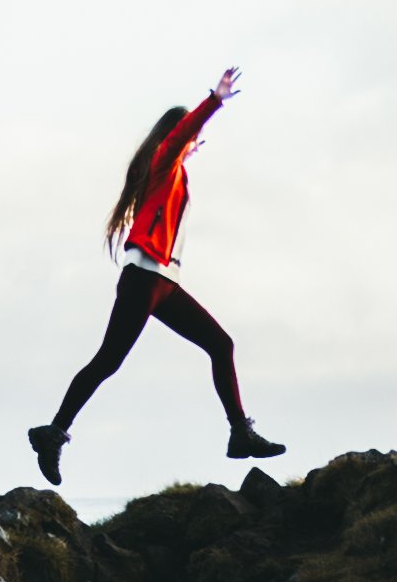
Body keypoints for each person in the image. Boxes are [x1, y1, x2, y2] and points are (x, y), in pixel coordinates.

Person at [35, 66, 282, 482]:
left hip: (165, 284)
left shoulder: (176, 174)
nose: (195, 144)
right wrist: (214, 101)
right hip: (144, 280)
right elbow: (181, 135)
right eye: (189, 138)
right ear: (175, 137)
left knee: (221, 345)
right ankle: (54, 433)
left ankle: (240, 434)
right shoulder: (162, 163)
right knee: (107, 361)